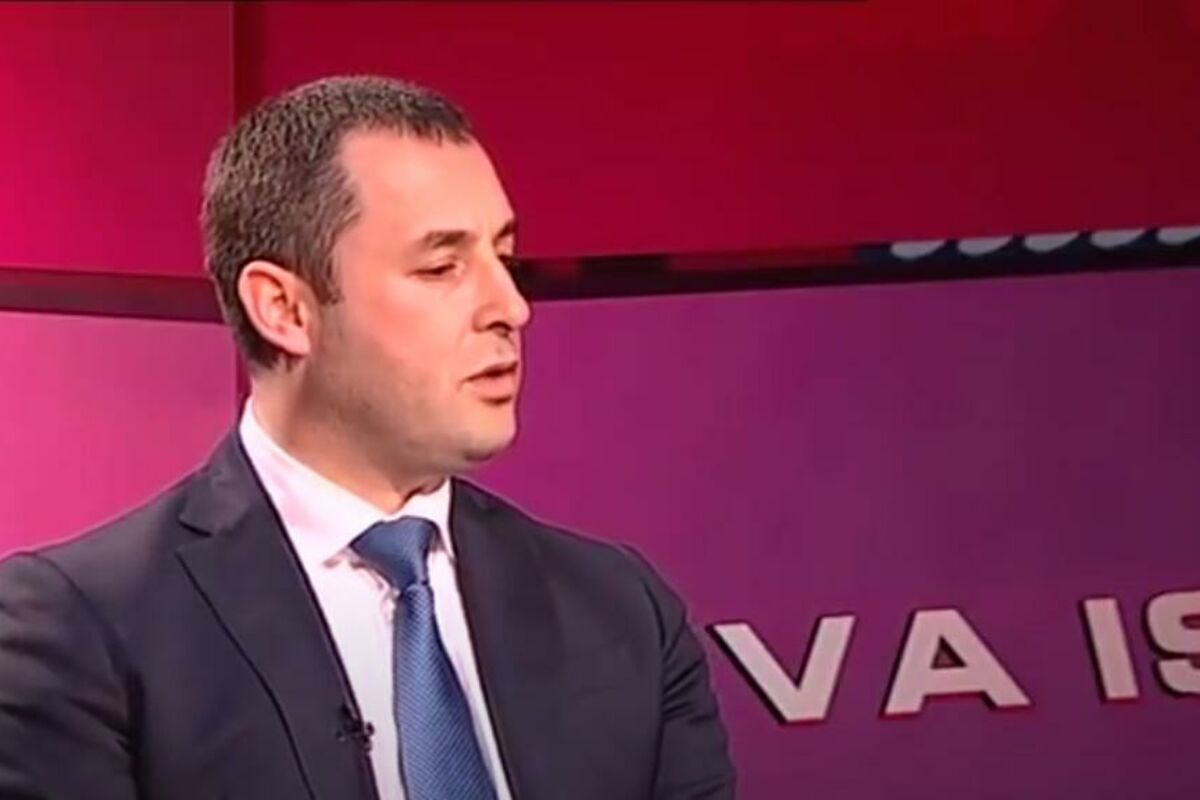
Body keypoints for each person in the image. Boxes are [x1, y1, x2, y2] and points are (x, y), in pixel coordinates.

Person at [0, 75, 735, 799]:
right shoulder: (78, 630)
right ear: (285, 309)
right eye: (442, 267)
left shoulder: (623, 611)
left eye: (505, 260)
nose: (511, 307)